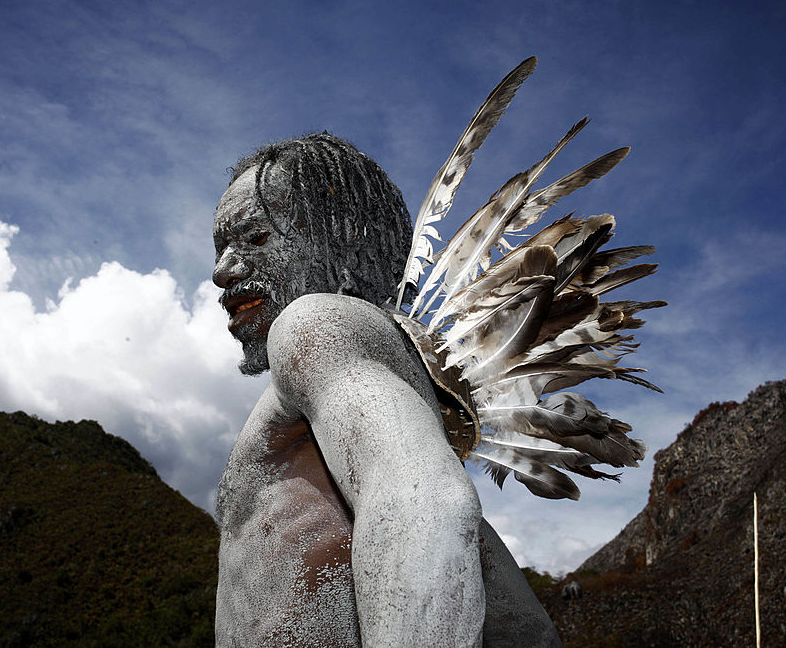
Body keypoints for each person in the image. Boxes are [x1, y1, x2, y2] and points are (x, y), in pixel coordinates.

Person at [212, 133, 561, 646]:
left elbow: (425, 502)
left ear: (346, 249)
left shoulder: (312, 326)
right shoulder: (361, 404)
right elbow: (526, 630)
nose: (222, 272)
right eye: (221, 249)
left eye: (256, 239)